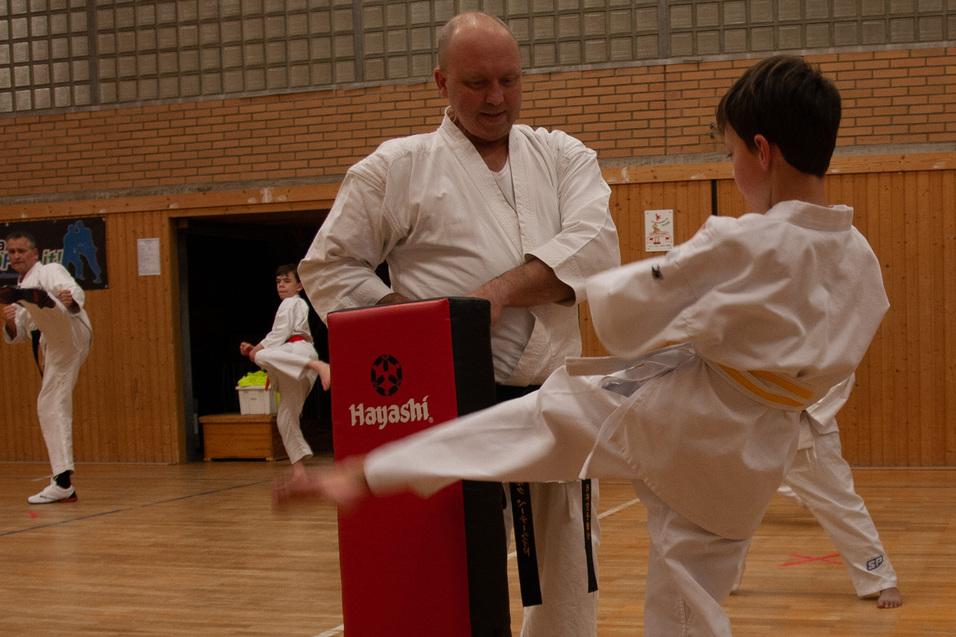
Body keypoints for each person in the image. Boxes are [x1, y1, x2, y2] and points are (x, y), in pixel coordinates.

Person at [278, 54, 891, 636]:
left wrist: (602, 287)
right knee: (688, 602)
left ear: (761, 150)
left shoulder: (742, 243)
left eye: (730, 152)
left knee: (537, 421)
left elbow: (630, 319)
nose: (732, 165)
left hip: (686, 415)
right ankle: (374, 474)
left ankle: (371, 473)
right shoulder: (860, 259)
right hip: (757, 450)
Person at [297, 11, 620, 637]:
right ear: (441, 82)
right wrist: (423, 326)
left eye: (509, 80)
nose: (496, 98)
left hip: (555, 396)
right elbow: (329, 266)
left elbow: (595, 248)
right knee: (455, 571)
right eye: (476, 82)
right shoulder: (396, 167)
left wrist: (494, 294)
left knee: (571, 572)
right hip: (452, 400)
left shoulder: (562, 155)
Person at [744, 375, 902, 608]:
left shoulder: (829, 339)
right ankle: (719, 580)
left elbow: (841, 371)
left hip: (806, 430)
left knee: (840, 506)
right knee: (732, 505)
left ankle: (880, 578)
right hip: (755, 428)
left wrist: (799, 410)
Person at [2, 231, 93, 504]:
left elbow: (71, 288)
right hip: (57, 347)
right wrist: (7, 320)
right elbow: (17, 335)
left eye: (21, 251)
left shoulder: (50, 269)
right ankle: (62, 480)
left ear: (34, 254)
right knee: (49, 403)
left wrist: (70, 298)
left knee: (51, 309)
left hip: (71, 328)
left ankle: (47, 303)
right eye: (12, 252)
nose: (16, 256)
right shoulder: (17, 292)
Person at [240, 264, 330, 479]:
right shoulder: (296, 304)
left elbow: (280, 332)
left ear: (299, 285)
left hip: (299, 353)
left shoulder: (291, 302)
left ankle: (319, 366)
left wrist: (256, 350)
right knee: (285, 417)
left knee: (261, 357)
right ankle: (299, 470)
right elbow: (278, 337)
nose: (281, 285)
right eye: (278, 281)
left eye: (286, 281)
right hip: (295, 361)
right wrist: (255, 349)